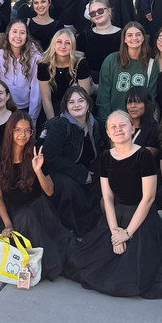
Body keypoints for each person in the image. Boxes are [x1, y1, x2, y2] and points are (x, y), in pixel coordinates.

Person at [64, 110, 162, 297]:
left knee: (131, 277)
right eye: (113, 127)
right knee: (84, 263)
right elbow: (107, 197)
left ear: (132, 128)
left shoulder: (144, 156)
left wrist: (127, 233)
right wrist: (115, 231)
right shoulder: (106, 157)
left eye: (123, 125)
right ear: (107, 132)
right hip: (115, 217)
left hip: (140, 219)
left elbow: (148, 198)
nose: (118, 130)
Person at [0, 113, 71, 280]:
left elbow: (50, 191)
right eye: (17, 130)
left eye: (27, 130)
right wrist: (8, 224)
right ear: (10, 131)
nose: (22, 135)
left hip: (39, 209)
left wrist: (38, 171)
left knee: (28, 217)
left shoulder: (36, 153)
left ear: (32, 132)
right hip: (13, 212)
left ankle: (46, 265)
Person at [41, 86, 107, 236]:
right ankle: (70, 232)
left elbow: (103, 152)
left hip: (89, 171)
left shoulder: (97, 125)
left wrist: (95, 174)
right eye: (71, 102)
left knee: (101, 186)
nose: (76, 105)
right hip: (62, 172)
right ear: (66, 106)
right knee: (69, 188)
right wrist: (82, 174)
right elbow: (51, 158)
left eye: (81, 101)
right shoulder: (60, 125)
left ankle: (95, 232)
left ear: (88, 104)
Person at [97, 22, 158, 122]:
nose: (134, 38)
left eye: (138, 34)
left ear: (143, 38)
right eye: (129, 35)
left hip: (139, 122)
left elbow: (151, 98)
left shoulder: (151, 64)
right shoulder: (111, 60)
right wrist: (106, 120)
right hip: (115, 120)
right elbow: (103, 95)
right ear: (124, 39)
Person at [38, 28, 92, 122]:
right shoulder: (44, 65)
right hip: (53, 108)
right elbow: (46, 100)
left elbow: (84, 97)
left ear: (73, 46)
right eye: (59, 42)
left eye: (68, 43)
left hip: (77, 108)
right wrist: (53, 123)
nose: (63, 46)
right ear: (53, 44)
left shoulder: (80, 63)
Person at [0, 20, 42, 120]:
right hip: (5, 108)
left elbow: (36, 91)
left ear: (27, 36)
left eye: (22, 33)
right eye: (14, 31)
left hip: (26, 109)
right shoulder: (0, 55)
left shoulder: (35, 58)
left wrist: (31, 118)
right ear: (8, 34)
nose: (18, 36)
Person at [81, 0, 121, 84]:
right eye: (93, 13)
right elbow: (79, 63)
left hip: (117, 80)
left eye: (100, 11)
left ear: (109, 11)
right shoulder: (84, 36)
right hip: (91, 82)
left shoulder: (123, 35)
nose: (97, 14)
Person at [125, 87, 159, 156]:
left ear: (147, 104)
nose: (132, 106)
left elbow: (146, 156)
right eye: (129, 102)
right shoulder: (123, 126)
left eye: (138, 102)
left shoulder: (155, 128)